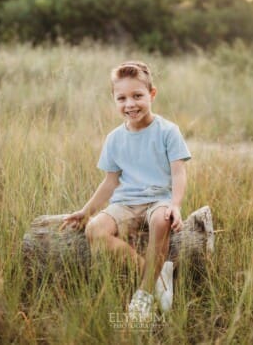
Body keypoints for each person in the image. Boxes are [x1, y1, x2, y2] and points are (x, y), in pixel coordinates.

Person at [62, 61, 191, 318]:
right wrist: (86, 211)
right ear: (113, 99)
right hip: (126, 203)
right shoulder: (114, 139)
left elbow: (179, 172)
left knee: (161, 219)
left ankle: (143, 293)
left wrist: (175, 205)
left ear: (152, 94)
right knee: (95, 230)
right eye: (122, 98)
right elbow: (110, 182)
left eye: (137, 96)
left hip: (159, 199)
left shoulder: (168, 131)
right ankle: (156, 276)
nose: (130, 104)